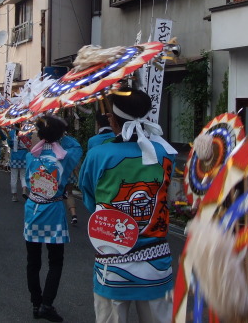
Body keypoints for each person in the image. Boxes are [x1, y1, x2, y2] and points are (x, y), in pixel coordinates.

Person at [78, 87, 177, 323]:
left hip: (112, 261)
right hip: (156, 264)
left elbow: (90, 199)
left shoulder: (98, 154)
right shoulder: (165, 153)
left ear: (114, 120)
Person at [24, 115, 82, 322]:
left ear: (39, 134)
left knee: (33, 261)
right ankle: (46, 305)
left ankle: (36, 303)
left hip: (32, 209)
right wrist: (59, 132)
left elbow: (26, 182)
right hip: (54, 210)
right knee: (55, 261)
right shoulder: (66, 155)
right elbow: (76, 145)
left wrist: (48, 133)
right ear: (61, 134)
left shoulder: (31, 156)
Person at [7, 123, 31, 202]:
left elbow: (10, 144)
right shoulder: (26, 133)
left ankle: (14, 196)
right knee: (23, 176)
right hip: (24, 156)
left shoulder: (11, 133)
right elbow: (29, 143)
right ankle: (24, 190)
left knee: (13, 177)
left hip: (14, 157)